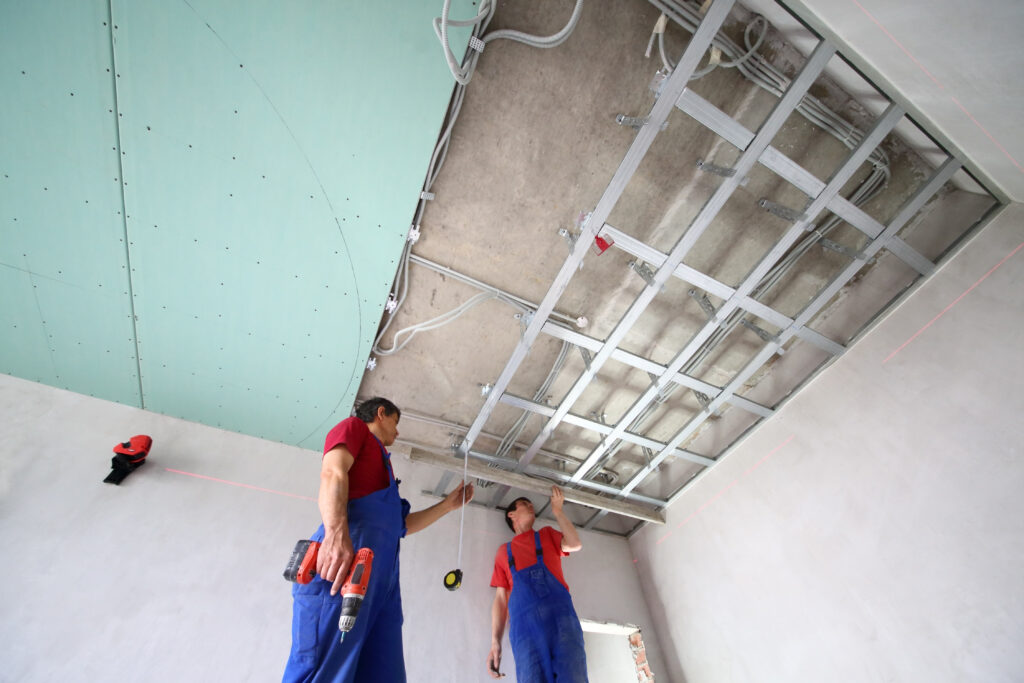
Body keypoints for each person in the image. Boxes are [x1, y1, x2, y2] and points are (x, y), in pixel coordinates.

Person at [283, 397, 473, 683]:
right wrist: (335, 534)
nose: (397, 433)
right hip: (344, 571)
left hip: (382, 587)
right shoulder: (354, 429)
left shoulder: (385, 473)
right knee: (325, 673)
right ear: (381, 414)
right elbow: (333, 472)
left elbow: (402, 525)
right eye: (396, 423)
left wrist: (447, 506)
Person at [487, 486, 588, 682]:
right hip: (526, 631)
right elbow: (500, 600)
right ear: (512, 515)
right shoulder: (503, 553)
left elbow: (575, 544)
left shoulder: (547, 534)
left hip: (562, 621)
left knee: (573, 676)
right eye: (524, 504)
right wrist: (495, 643)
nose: (531, 506)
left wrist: (558, 511)